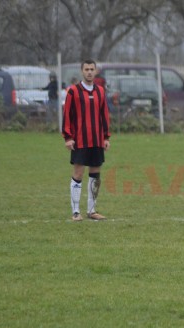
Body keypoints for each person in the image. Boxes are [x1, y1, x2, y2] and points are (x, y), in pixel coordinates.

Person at [62, 59, 111, 221]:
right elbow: (67, 115)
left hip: (97, 140)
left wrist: (106, 137)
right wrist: (68, 137)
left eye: (92, 69)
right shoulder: (73, 92)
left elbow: (104, 115)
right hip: (80, 140)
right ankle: (76, 212)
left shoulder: (101, 92)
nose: (89, 72)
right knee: (78, 172)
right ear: (82, 71)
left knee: (95, 174)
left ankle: (91, 210)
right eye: (86, 69)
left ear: (95, 71)